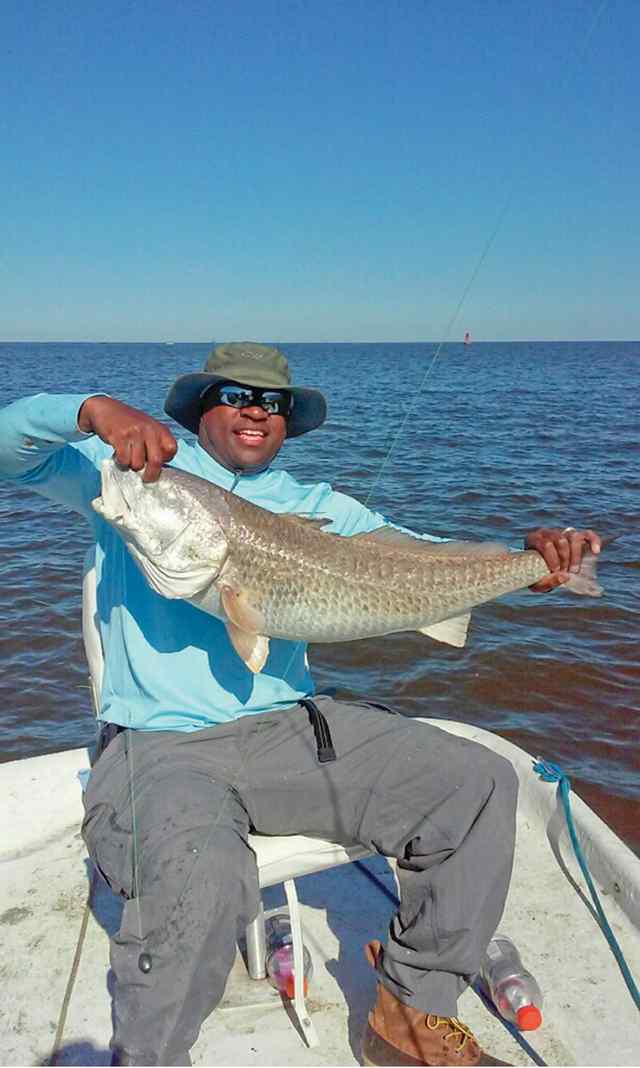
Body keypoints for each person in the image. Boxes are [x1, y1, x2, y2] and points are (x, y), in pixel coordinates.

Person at [0, 343, 602, 1067]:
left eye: (274, 403)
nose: (257, 410)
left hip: (292, 734)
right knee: (204, 875)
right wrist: (90, 409)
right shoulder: (139, 478)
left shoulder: (319, 509)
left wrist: (531, 560)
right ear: (200, 409)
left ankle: (408, 1014)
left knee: (476, 783)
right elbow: (14, 452)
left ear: (288, 424)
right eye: (235, 395)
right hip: (162, 746)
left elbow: (425, 555)